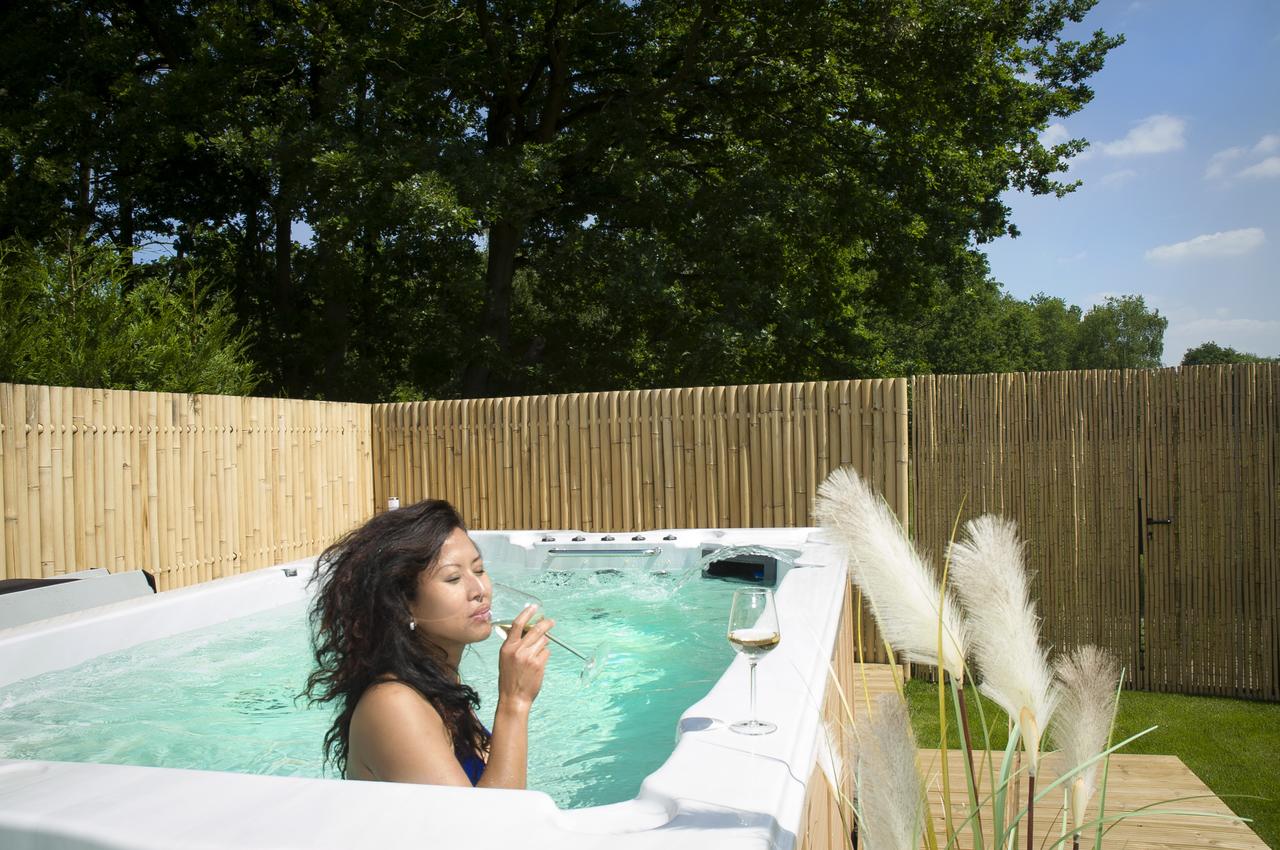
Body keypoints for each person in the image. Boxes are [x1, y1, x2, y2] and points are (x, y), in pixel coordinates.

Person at [305, 499, 552, 787]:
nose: (479, 590)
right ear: (403, 604)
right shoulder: (393, 705)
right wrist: (515, 702)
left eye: (480, 569)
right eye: (454, 578)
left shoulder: (438, 685)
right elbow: (487, 826)